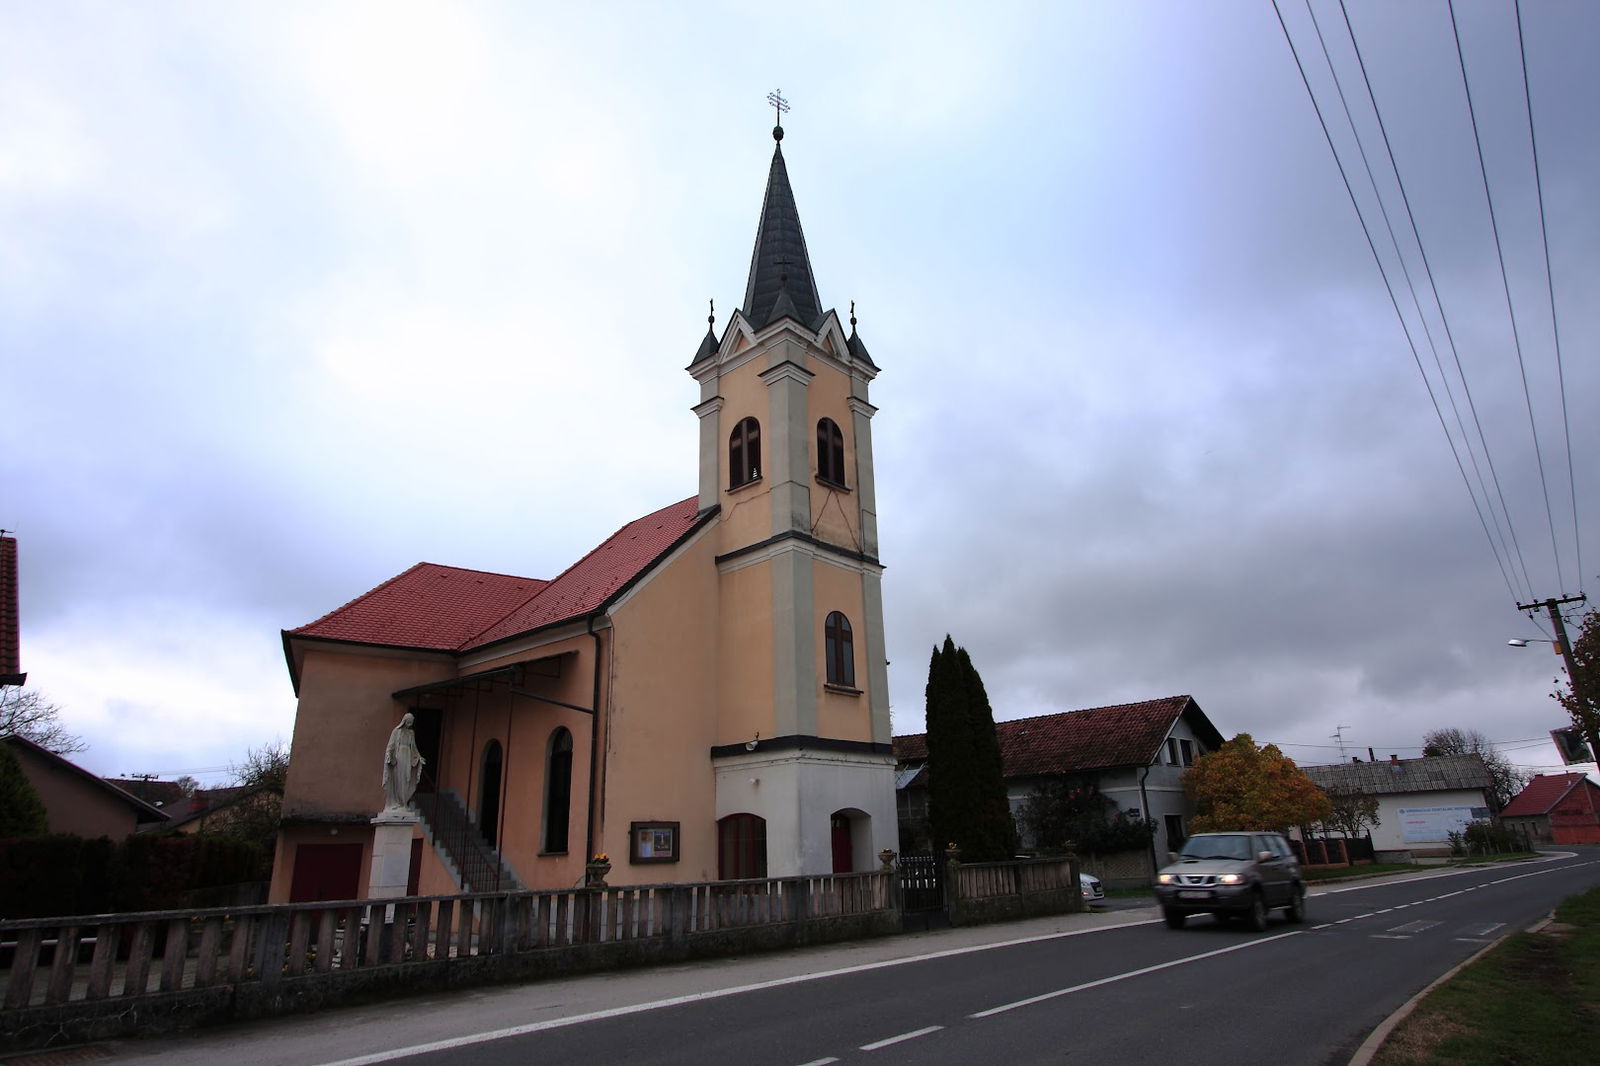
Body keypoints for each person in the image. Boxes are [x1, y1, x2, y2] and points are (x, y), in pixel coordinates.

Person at [382, 712, 425, 811]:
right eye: (409, 721)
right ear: (404, 720)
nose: (410, 723)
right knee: (399, 778)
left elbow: (414, 748)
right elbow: (390, 746)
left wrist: (419, 758)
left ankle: (404, 803)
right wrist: (388, 755)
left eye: (411, 722)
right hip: (399, 758)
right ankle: (397, 802)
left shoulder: (411, 733)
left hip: (408, 757)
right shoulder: (396, 731)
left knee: (407, 778)